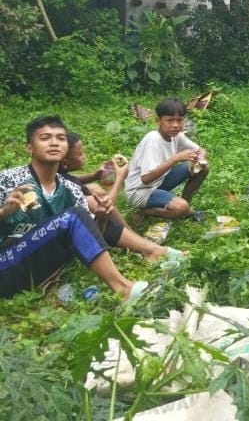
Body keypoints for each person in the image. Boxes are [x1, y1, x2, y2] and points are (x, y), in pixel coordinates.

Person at [0, 115, 144, 300]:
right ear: (30, 147)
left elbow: (91, 238)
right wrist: (4, 212)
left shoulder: (71, 189)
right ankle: (123, 289)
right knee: (74, 216)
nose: (54, 143)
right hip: (5, 266)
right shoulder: (8, 180)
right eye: (45, 138)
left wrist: (101, 218)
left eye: (61, 138)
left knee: (77, 218)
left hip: (38, 266)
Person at [60, 132, 184, 263]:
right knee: (104, 218)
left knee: (94, 189)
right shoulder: (66, 188)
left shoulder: (57, 175)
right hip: (78, 232)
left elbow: (71, 179)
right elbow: (104, 207)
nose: (84, 156)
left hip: (73, 220)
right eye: (80, 154)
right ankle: (148, 250)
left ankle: (133, 237)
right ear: (65, 163)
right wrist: (120, 178)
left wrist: (95, 176)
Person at [124, 98, 210, 220]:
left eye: (179, 120)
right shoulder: (152, 140)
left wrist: (200, 158)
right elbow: (146, 179)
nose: (175, 125)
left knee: (203, 167)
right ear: (158, 121)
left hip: (159, 181)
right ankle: (143, 211)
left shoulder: (177, 136)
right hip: (140, 191)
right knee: (179, 207)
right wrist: (175, 158)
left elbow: (201, 150)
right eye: (169, 120)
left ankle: (185, 205)